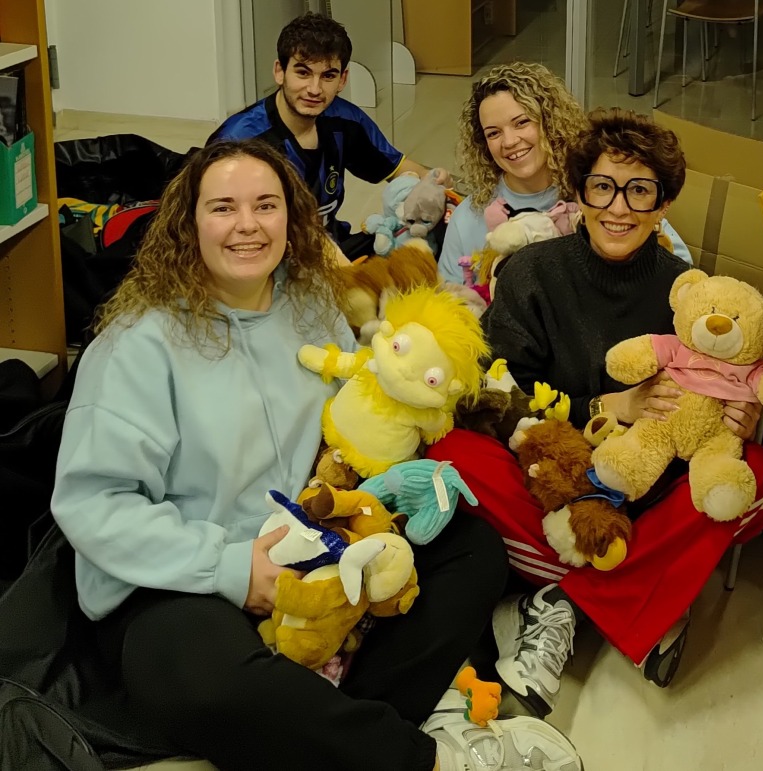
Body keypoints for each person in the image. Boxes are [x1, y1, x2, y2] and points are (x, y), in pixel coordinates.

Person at [49, 138, 583, 771]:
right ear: (187, 223)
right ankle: (424, 760)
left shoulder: (309, 307)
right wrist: (232, 568)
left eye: (265, 205)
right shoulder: (137, 345)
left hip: (316, 538)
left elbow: (353, 420)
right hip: (185, 575)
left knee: (475, 551)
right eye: (223, 208)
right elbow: (95, 504)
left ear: (290, 216)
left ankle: (325, 728)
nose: (247, 225)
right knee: (202, 679)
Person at [428, 109, 763, 719]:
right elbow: (492, 391)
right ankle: (636, 594)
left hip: (640, 483)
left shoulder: (688, 291)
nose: (619, 208)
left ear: (663, 204)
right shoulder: (533, 272)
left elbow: (722, 385)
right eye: (603, 186)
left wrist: (735, 420)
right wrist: (606, 406)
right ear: (579, 192)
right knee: (450, 452)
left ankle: (562, 602)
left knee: (754, 474)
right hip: (546, 471)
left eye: (640, 191)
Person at [208, 12, 452, 260]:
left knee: (422, 242)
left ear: (342, 79)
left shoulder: (346, 121)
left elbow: (402, 169)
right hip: (264, 258)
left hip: (330, 247)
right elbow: (209, 222)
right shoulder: (239, 139)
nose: (315, 89)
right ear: (280, 72)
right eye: (303, 73)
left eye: (328, 76)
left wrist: (434, 180)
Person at [437, 62, 691, 285]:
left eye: (522, 122)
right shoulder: (469, 218)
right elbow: (449, 303)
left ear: (550, 122)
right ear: (483, 144)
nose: (510, 141)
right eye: (494, 133)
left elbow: (680, 269)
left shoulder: (597, 190)